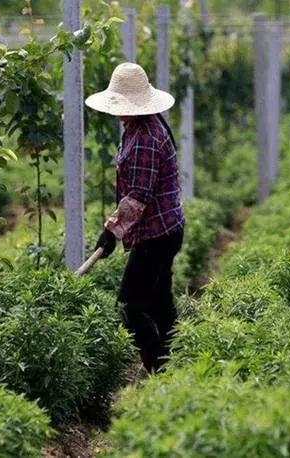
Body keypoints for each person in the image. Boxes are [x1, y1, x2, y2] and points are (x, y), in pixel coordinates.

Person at [85, 63, 185, 372]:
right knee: (159, 302)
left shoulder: (145, 137)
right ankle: (175, 363)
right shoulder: (137, 127)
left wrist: (112, 231)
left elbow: (139, 195)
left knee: (130, 305)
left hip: (157, 233)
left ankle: (157, 369)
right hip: (162, 229)